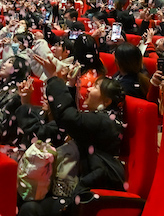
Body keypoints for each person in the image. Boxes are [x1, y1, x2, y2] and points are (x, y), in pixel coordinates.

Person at [17, 75, 126, 216]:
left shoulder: (107, 122)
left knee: (30, 209)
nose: (88, 89)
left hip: (81, 194)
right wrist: (25, 102)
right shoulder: (95, 118)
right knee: (21, 194)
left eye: (95, 86)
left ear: (106, 101)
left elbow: (68, 117)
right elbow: (45, 132)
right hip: (64, 184)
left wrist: (55, 79)